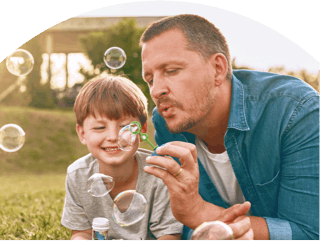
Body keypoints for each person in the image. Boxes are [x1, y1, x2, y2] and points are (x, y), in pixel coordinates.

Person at [140, 14, 319, 240]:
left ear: (217, 68)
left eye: (172, 70)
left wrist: (198, 212)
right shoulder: (166, 124)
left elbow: (311, 233)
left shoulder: (295, 111)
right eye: (150, 79)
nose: (156, 90)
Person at [61, 75, 184, 240]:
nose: (113, 136)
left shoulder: (159, 173)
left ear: (142, 130)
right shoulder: (77, 175)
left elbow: (169, 235)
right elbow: (81, 233)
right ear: (82, 134)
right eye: (99, 127)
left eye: (125, 127)